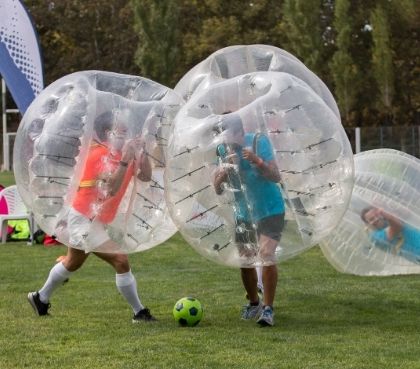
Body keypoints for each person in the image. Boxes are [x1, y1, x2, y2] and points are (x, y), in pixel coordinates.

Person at [27, 111, 156, 323]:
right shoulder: (98, 155)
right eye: (121, 131)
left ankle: (40, 298)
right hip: (83, 218)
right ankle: (139, 312)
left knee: (72, 262)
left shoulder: (123, 152)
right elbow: (111, 188)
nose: (126, 135)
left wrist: (143, 153)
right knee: (121, 260)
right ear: (108, 133)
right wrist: (126, 159)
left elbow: (146, 176)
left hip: (94, 218)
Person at [213, 113, 285, 327]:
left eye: (227, 136)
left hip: (270, 208)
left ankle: (268, 309)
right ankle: (253, 302)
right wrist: (225, 172)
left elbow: (276, 176)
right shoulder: (222, 150)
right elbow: (217, 189)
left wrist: (256, 161)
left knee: (266, 254)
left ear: (240, 132)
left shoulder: (258, 141)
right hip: (244, 213)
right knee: (246, 260)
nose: (224, 141)